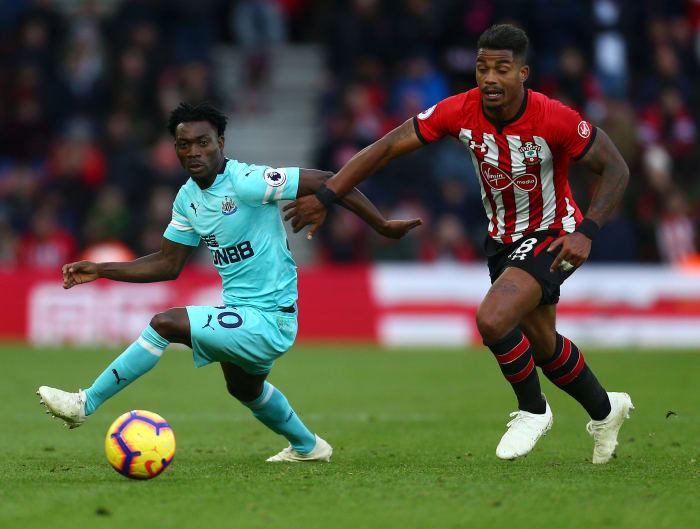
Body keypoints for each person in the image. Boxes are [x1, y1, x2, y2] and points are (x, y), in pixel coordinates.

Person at [284, 24, 633, 464]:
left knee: (493, 319)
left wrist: (587, 231)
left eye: (501, 68)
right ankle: (605, 410)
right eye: (482, 68)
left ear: (522, 73)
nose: (489, 78)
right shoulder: (460, 110)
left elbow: (616, 168)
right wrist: (327, 196)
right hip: (502, 240)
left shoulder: (554, 118)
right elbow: (388, 146)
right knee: (543, 345)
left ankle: (533, 410)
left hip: (554, 234)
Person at [38, 101, 421, 462]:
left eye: (203, 142)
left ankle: (84, 404)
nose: (194, 152)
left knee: (164, 323)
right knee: (244, 388)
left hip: (272, 318)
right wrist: (101, 269)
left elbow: (327, 179)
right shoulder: (187, 199)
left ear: (220, 143)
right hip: (240, 313)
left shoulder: (248, 181)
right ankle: (308, 447)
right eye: (184, 145)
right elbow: (168, 264)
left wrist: (380, 224)